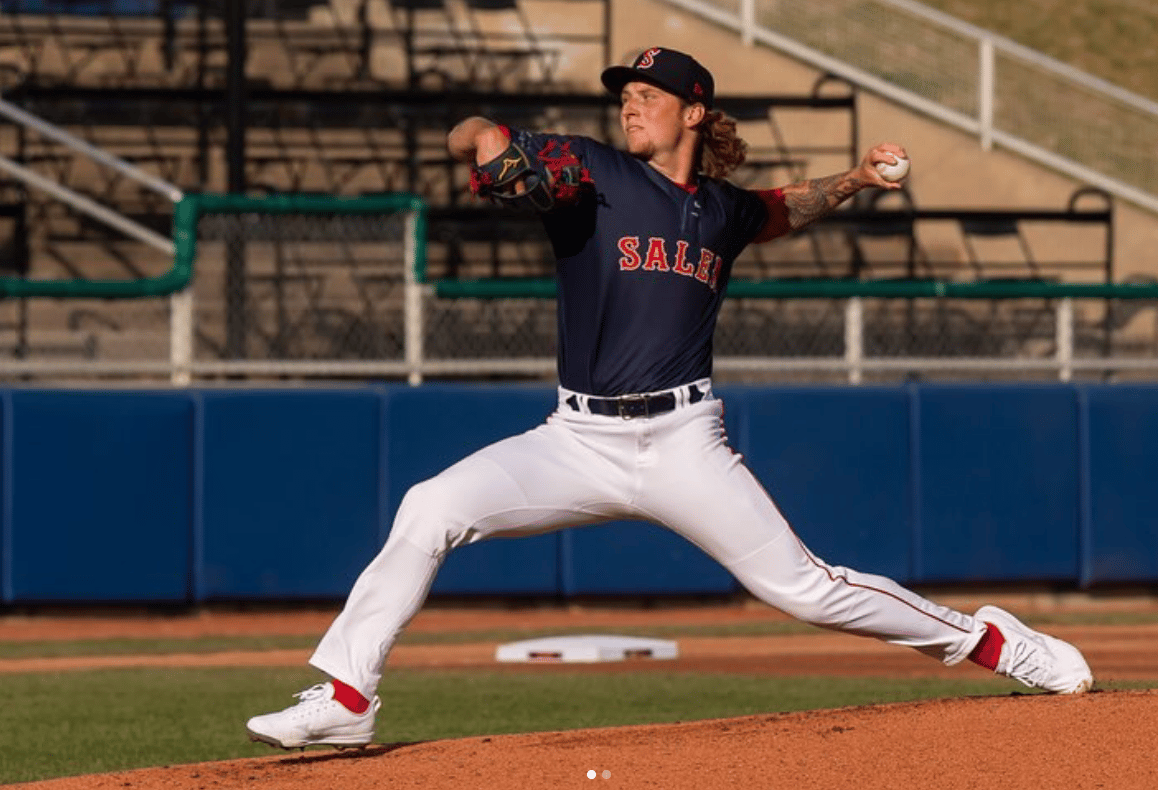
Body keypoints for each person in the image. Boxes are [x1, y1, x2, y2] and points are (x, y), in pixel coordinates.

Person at [246, 46, 1093, 750]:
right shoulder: (590, 171)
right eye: (625, 96)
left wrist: (856, 180)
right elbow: (476, 134)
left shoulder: (719, 211)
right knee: (429, 507)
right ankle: (349, 701)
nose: (630, 107)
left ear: (694, 111)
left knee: (805, 589)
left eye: (648, 95)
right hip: (574, 439)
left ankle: (993, 642)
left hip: (685, 439)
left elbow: (775, 210)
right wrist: (485, 140)